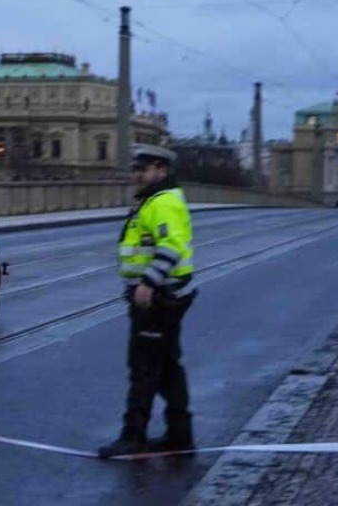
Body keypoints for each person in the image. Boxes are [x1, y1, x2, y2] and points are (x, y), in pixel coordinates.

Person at [98, 143, 197, 458]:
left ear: (162, 170)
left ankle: (133, 436)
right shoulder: (153, 201)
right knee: (168, 368)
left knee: (143, 368)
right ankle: (180, 434)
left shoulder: (163, 202)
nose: (136, 174)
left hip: (157, 299)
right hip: (162, 297)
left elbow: (173, 245)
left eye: (143, 169)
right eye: (135, 169)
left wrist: (148, 283)